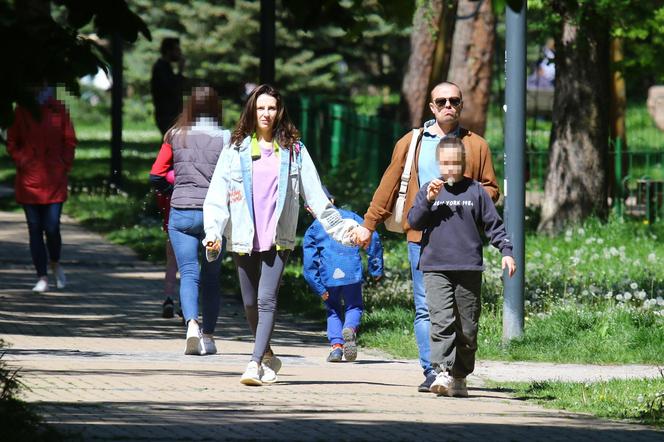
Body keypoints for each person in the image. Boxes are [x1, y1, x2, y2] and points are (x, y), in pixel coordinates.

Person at [203, 84, 358, 386]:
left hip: (278, 237)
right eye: (261, 108)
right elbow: (217, 194)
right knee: (249, 302)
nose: (266, 113)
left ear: (279, 112)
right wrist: (214, 232)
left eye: (271, 108)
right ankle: (269, 354)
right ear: (252, 110)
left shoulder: (294, 151)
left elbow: (315, 195)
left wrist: (342, 230)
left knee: (265, 300)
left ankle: (254, 362)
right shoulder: (236, 149)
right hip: (245, 237)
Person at [351, 81, 499, 392]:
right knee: (425, 307)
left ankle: (456, 372)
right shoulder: (413, 141)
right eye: (441, 101)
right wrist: (368, 224)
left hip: (460, 240)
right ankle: (433, 372)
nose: (448, 105)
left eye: (454, 100)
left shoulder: (476, 145)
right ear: (431, 107)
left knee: (462, 316)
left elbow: (491, 189)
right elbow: (389, 184)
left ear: (461, 105)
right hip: (421, 235)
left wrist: (464, 193)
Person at [407, 136, 516, 397]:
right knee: (441, 321)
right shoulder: (430, 190)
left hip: (468, 267)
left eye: (455, 163)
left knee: (467, 328)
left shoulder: (476, 191)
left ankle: (460, 376)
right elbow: (414, 221)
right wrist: (427, 201)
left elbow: (494, 225)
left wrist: (506, 252)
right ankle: (442, 372)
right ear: (438, 163)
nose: (450, 169)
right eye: (445, 164)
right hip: (435, 267)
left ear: (464, 163)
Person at [150, 86, 230, 355]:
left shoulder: (174, 135)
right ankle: (208, 337)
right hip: (215, 216)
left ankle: (192, 326)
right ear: (216, 108)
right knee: (211, 277)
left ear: (190, 107)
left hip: (181, 211)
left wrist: (175, 192)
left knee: (188, 272)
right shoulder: (226, 138)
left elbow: (156, 176)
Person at [7, 85, 76, 292]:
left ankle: (55, 262)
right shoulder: (21, 111)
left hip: (54, 179)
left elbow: (70, 140)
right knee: (35, 229)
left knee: (52, 227)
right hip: (29, 181)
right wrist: (23, 161)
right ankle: (42, 276)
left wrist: (64, 163)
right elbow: (12, 141)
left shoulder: (58, 109)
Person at [303, 189, 384, 363]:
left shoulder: (313, 228)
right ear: (332, 200)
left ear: (309, 209)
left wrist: (318, 287)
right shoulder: (352, 218)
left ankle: (337, 348)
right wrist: (375, 267)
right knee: (354, 306)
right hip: (351, 272)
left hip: (328, 276)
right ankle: (350, 328)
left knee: (333, 309)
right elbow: (373, 237)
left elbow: (309, 264)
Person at [150, 37, 185, 318]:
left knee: (172, 253)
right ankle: (182, 301)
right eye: (177, 50)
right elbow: (172, 90)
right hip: (166, 118)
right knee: (186, 257)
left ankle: (170, 297)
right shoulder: (162, 70)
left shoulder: (164, 69)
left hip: (173, 206)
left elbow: (157, 176)